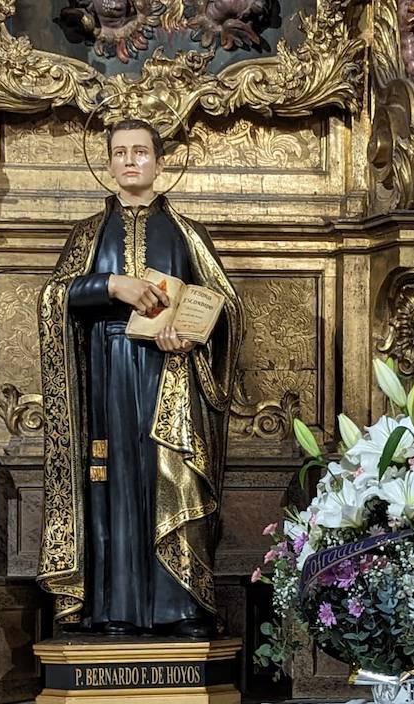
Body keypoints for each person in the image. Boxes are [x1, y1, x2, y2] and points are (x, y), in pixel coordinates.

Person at [36, 118, 244, 638]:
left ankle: (181, 606)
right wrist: (111, 284)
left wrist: (194, 335)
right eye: (120, 153)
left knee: (164, 474)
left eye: (141, 152)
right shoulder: (88, 232)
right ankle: (112, 611)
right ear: (107, 163)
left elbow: (227, 308)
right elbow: (52, 298)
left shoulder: (185, 233)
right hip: (105, 377)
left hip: (169, 376)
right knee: (113, 481)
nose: (130, 161)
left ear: (160, 162)